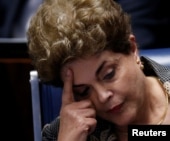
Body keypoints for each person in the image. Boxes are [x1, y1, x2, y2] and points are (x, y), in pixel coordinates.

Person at [26, 0, 170, 141]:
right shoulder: (59, 134)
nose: (102, 96)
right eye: (83, 91)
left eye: (109, 74)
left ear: (132, 49)